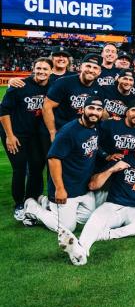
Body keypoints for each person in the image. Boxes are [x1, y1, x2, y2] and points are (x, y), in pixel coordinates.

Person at [57, 132, 135, 266]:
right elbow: (93, 185)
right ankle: (81, 251)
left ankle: (106, 235)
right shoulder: (122, 160)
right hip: (114, 206)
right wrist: (112, 169)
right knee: (96, 218)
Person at [22, 96, 104, 232]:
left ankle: (46, 203)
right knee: (68, 227)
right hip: (66, 187)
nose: (94, 112)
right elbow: (53, 159)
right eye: (91, 108)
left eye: (98, 109)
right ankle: (32, 207)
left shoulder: (94, 127)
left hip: (83, 187)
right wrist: (59, 189)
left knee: (88, 218)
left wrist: (107, 156)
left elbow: (93, 146)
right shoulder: (68, 131)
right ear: (82, 110)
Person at [0, 57, 53, 221]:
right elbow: (3, 112)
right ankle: (19, 204)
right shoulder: (20, 85)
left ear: (51, 71)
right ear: (33, 68)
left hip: (36, 136)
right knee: (20, 168)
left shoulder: (53, 87)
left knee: (37, 167)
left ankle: (32, 199)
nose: (41, 72)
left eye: (45, 69)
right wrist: (9, 136)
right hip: (16, 134)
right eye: (39, 68)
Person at [43, 53, 102, 139]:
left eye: (95, 68)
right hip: (61, 130)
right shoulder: (64, 82)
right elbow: (46, 107)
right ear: (80, 67)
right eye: (88, 66)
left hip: (82, 132)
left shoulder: (99, 88)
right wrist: (52, 132)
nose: (91, 70)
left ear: (99, 72)